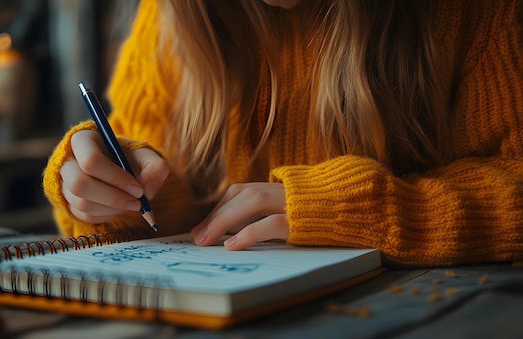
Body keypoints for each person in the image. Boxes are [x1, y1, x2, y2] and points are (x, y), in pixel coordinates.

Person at [43, 0, 523, 266]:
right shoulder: (171, 17)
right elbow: (156, 197)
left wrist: (365, 211)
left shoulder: (475, 14)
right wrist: (99, 191)